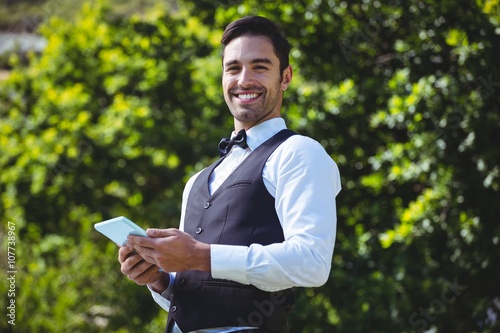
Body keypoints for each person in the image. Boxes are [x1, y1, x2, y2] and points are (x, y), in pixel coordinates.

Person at [118, 15, 341, 333]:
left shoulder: (299, 153)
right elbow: (196, 292)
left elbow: (312, 263)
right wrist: (157, 279)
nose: (244, 79)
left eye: (260, 67)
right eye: (233, 68)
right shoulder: (196, 181)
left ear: (286, 77)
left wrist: (199, 256)